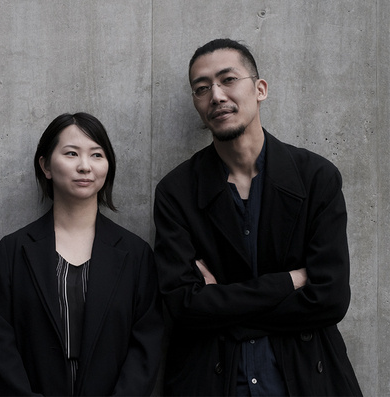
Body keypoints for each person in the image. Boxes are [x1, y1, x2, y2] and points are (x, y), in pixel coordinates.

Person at [153, 38, 362, 396]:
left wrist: (222, 303)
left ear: (260, 89)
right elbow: (183, 307)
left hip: (306, 376)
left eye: (228, 79)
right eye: (202, 88)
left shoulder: (316, 177)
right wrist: (290, 281)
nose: (216, 95)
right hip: (214, 378)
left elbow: (330, 299)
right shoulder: (177, 191)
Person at [0, 112, 163, 396]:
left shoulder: (135, 254)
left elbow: (146, 345)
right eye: (71, 153)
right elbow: (0, 343)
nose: (85, 166)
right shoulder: (12, 252)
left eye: (97, 155)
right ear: (45, 165)